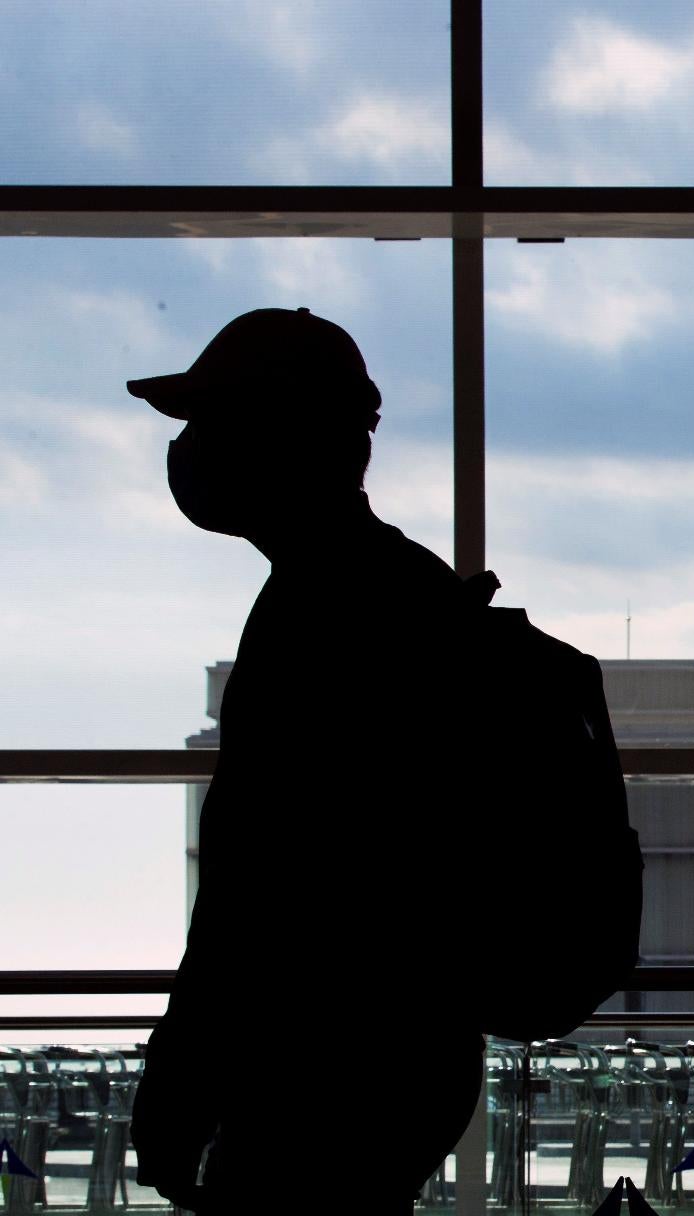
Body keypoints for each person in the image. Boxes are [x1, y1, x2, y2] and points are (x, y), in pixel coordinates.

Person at [127, 309, 485, 1212]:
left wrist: (180, 1083)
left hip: (321, 1067)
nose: (190, 449)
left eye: (209, 422)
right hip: (399, 1052)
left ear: (274, 434)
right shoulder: (396, 584)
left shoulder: (319, 610)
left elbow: (260, 887)